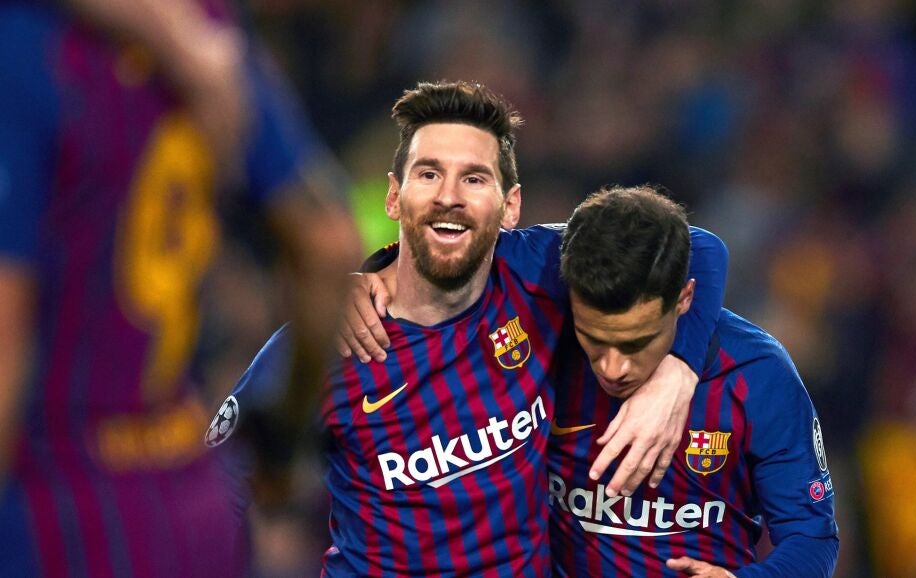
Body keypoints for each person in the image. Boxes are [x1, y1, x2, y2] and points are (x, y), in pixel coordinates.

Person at [212, 80, 728, 575]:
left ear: (511, 206)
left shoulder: (539, 268)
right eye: (428, 174)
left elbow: (697, 247)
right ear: (394, 197)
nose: (448, 196)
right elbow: (216, 486)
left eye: (474, 178)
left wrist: (677, 372)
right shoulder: (332, 337)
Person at [0, 1, 361, 576]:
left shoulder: (25, 49)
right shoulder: (209, 36)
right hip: (189, 501)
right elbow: (328, 244)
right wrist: (284, 437)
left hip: (55, 507)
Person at [548, 186, 839, 576]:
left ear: (685, 298)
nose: (613, 368)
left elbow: (812, 537)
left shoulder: (756, 373)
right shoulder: (543, 342)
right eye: (594, 340)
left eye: (637, 343)